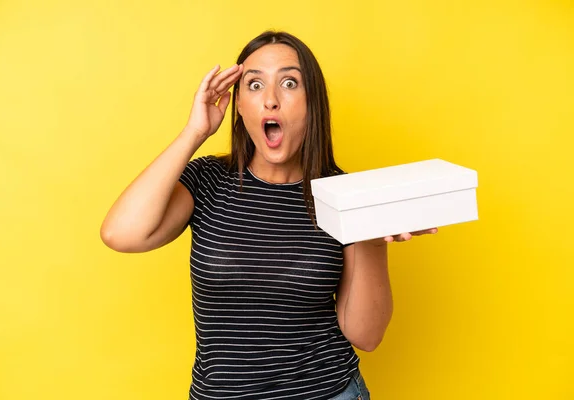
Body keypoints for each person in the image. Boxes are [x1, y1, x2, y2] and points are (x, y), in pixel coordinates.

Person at [100, 30, 437, 400]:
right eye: (255, 85)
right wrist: (195, 131)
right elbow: (121, 234)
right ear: (239, 104)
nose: (271, 100)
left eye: (290, 83)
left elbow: (367, 336)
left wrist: (372, 232)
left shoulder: (344, 193)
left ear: (313, 103)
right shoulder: (207, 180)